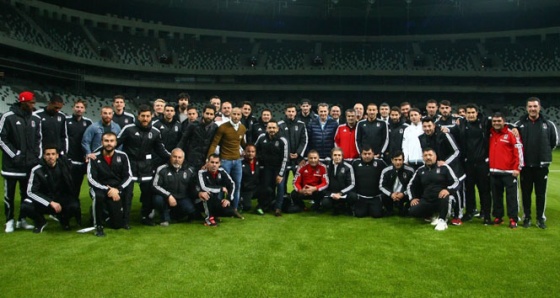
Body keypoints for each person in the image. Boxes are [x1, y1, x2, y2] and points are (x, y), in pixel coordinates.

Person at [117, 105, 170, 226]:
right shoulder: (128, 128)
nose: (145, 118)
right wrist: (97, 154)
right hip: (129, 167)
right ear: (138, 116)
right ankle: (125, 220)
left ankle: (145, 217)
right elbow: (115, 143)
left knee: (147, 194)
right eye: (143, 116)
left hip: (146, 167)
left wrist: (174, 158)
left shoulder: (155, 132)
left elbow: (161, 150)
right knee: (127, 194)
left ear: (151, 117)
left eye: (147, 116)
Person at [0, 91, 41, 232]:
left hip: (29, 166)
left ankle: (22, 219)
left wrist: (36, 156)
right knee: (9, 195)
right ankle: (9, 220)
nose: (32, 105)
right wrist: (14, 155)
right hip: (11, 166)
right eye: (30, 103)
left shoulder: (35, 119)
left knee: (26, 194)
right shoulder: (8, 117)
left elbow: (38, 139)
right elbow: (1, 139)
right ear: (22, 102)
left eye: (33, 103)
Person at [514, 97, 558, 229]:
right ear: (526, 108)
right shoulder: (519, 124)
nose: (532, 109)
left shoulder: (548, 124)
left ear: (539, 107)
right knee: (525, 194)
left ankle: (540, 218)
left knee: (541, 193)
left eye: (535, 106)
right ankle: (526, 217)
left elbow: (553, 143)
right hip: (526, 166)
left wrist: (543, 154)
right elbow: (515, 144)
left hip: (541, 165)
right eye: (530, 106)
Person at [449, 104, 491, 221]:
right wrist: (444, 129)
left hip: (482, 162)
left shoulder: (485, 122)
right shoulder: (461, 124)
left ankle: (485, 213)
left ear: (477, 113)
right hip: (467, 163)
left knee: (484, 189)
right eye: (469, 113)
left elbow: (502, 123)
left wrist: (514, 128)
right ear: (465, 114)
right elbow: (451, 129)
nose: (471, 115)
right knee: (469, 189)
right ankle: (470, 211)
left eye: (473, 112)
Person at [418, 117, 464, 225]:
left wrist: (445, 162)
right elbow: (426, 152)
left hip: (453, 167)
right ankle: (437, 213)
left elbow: (456, 151)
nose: (427, 128)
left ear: (434, 125)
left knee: (455, 190)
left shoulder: (444, 134)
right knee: (436, 189)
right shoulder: (421, 138)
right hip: (436, 168)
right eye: (425, 126)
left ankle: (458, 215)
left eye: (429, 126)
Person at [87, 132, 133, 236]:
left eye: (112, 141)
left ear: (116, 142)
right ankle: (98, 226)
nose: (109, 143)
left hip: (116, 190)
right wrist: (107, 190)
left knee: (117, 225)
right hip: (99, 189)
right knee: (98, 197)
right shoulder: (94, 157)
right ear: (101, 142)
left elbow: (128, 176)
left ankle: (103, 214)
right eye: (106, 141)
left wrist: (118, 189)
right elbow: (91, 179)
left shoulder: (123, 156)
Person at [22, 146, 77, 232]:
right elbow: (31, 192)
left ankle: (63, 219)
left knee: (74, 205)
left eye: (53, 154)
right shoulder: (36, 170)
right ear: (44, 156)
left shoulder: (64, 166)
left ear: (57, 155)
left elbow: (79, 168)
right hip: (44, 200)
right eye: (48, 154)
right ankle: (40, 221)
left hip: (60, 199)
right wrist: (50, 202)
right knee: (25, 206)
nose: (50, 157)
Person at [207, 107, 246, 219]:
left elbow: (242, 142)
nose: (236, 116)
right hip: (225, 161)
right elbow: (215, 143)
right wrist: (208, 158)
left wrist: (249, 152)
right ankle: (218, 211)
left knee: (237, 185)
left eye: (238, 114)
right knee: (221, 186)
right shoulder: (223, 127)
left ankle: (234, 209)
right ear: (230, 115)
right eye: (234, 114)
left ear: (241, 116)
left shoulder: (242, 128)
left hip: (237, 161)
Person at [407, 148, 460, 231]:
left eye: (430, 155)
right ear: (423, 157)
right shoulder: (420, 170)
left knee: (445, 197)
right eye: (425, 155)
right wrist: (412, 198)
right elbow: (410, 185)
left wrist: (448, 190)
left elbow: (456, 182)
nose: (428, 157)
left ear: (435, 156)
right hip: (427, 199)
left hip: (442, 198)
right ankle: (432, 215)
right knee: (413, 211)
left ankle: (442, 220)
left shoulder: (444, 167)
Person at [489, 113, 523, 228]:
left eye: (499, 121)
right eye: (494, 121)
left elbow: (518, 151)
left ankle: (513, 218)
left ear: (504, 122)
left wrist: (517, 168)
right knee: (496, 196)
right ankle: (498, 216)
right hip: (494, 171)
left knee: (511, 197)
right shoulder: (490, 134)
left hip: (509, 172)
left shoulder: (511, 134)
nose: (496, 123)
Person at [152, 148, 197, 226]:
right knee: (157, 199)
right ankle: (164, 218)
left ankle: (173, 216)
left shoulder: (190, 170)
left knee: (190, 209)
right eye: (174, 157)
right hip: (165, 197)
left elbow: (194, 186)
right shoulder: (162, 169)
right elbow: (155, 185)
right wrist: (168, 195)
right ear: (170, 157)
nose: (177, 159)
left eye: (179, 157)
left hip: (182, 197)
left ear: (183, 159)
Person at [65, 99, 93, 224]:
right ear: (73, 108)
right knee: (67, 188)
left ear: (84, 109)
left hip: (83, 161)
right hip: (69, 161)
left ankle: (76, 212)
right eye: (77, 107)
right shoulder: (66, 122)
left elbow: (90, 141)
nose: (79, 109)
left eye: (81, 107)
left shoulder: (88, 122)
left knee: (78, 187)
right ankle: (67, 212)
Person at [255, 119, 289, 216]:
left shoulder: (283, 140)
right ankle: (266, 205)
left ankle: (278, 208)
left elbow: (285, 158)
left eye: (274, 128)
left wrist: (281, 174)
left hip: (279, 168)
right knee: (267, 188)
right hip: (266, 168)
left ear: (278, 129)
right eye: (270, 128)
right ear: (266, 129)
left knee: (280, 187)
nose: (272, 129)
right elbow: (254, 149)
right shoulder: (261, 137)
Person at [195, 154, 235, 226]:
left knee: (230, 211)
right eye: (212, 162)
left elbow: (232, 184)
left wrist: (228, 199)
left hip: (216, 200)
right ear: (207, 163)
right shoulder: (201, 172)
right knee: (206, 194)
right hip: (199, 201)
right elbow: (204, 187)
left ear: (220, 164)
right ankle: (208, 219)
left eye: (216, 163)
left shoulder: (222, 171)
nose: (214, 165)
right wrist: (220, 189)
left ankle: (214, 215)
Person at [177, 105, 218, 170]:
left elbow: (213, 144)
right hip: (191, 159)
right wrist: (178, 152)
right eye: (207, 113)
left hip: (205, 160)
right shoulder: (193, 125)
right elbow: (183, 140)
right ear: (203, 113)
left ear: (214, 115)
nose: (209, 116)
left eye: (211, 114)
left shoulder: (215, 127)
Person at [351, 146, 387, 218]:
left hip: (375, 197)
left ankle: (376, 207)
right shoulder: (355, 163)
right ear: (361, 154)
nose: (367, 156)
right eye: (365, 154)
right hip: (361, 197)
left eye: (369, 153)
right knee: (359, 215)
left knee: (377, 215)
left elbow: (388, 173)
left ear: (373, 154)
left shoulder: (380, 163)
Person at [278, 104, 308, 180]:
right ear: (285, 112)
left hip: (298, 158)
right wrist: (287, 154)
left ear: (295, 113)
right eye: (289, 111)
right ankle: (282, 192)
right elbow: (279, 141)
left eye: (293, 111)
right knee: (282, 181)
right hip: (284, 158)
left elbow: (304, 140)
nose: (291, 113)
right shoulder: (280, 124)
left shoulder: (301, 124)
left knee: (300, 180)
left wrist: (298, 153)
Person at [380, 151, 414, 216]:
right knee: (383, 196)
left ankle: (404, 208)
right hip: (391, 194)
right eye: (395, 160)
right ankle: (389, 209)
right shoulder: (386, 170)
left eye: (400, 160)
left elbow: (413, 187)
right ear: (392, 160)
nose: (398, 162)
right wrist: (391, 194)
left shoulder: (410, 170)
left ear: (403, 160)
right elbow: (381, 186)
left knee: (403, 214)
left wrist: (403, 193)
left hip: (404, 194)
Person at [322, 147, 355, 215]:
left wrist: (340, 193)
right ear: (331, 156)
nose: (337, 157)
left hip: (343, 193)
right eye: (335, 155)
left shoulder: (348, 167)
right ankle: (336, 207)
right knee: (325, 203)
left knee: (353, 196)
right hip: (331, 193)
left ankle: (347, 206)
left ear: (342, 156)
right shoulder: (326, 166)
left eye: (339, 155)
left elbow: (352, 184)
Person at [152, 104, 182, 168]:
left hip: (173, 157)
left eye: (171, 111)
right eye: (167, 110)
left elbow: (180, 141)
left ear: (174, 113)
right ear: (163, 112)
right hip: (158, 157)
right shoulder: (156, 124)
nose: (169, 112)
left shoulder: (179, 125)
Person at [240, 144, 261, 213]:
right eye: (248, 151)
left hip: (256, 188)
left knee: (268, 190)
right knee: (247, 207)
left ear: (255, 152)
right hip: (246, 190)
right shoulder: (240, 163)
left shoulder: (259, 162)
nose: (250, 153)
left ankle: (260, 206)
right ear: (245, 152)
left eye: (253, 151)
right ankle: (240, 202)